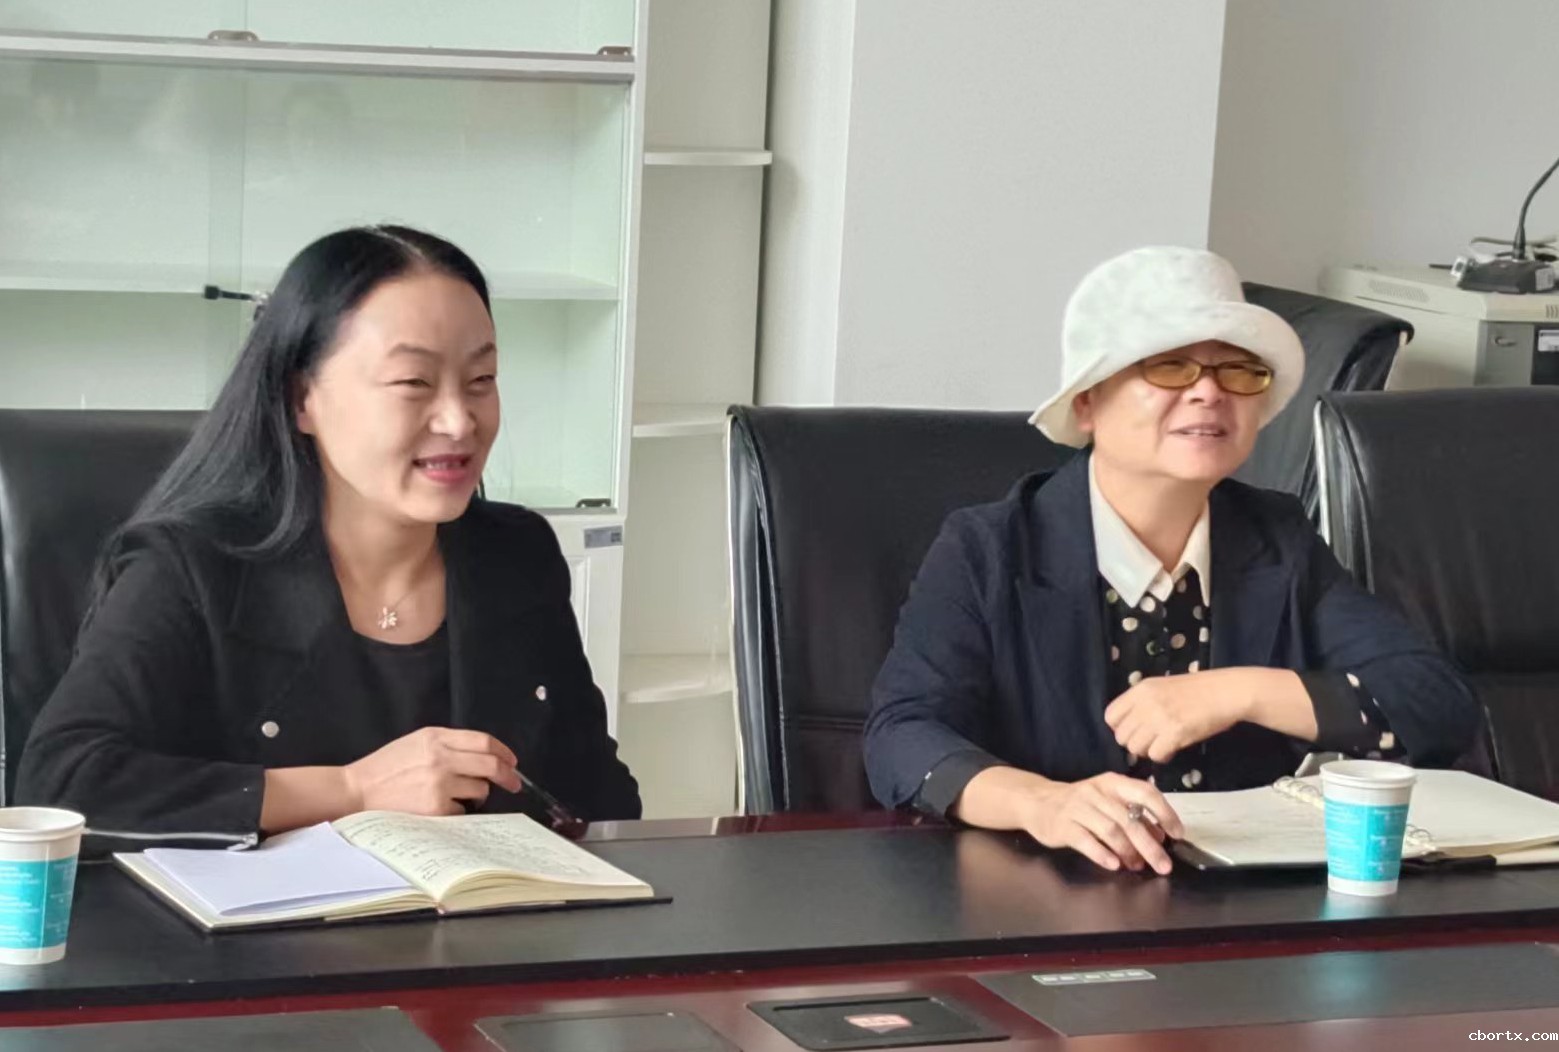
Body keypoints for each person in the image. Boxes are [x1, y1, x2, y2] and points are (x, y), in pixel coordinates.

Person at [17, 225, 640, 847]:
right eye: (413, 382)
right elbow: (62, 783)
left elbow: (600, 796)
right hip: (255, 914)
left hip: (490, 910)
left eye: (482, 380)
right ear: (301, 399)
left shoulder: (517, 555)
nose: (459, 420)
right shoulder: (191, 567)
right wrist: (351, 791)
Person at [863, 246, 1477, 876]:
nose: (1209, 392)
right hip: (1041, 890)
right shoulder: (989, 548)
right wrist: (1041, 803)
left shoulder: (1278, 539)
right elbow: (901, 736)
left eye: (1238, 371)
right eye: (1169, 366)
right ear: (1087, 403)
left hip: (1242, 901)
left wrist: (1239, 691)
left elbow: (1438, 705)